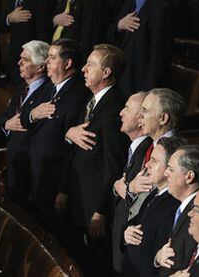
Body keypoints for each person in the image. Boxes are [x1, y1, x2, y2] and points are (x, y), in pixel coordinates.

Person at [61, 43, 129, 275]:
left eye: (90, 64)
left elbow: (113, 166)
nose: (83, 69)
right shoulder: (92, 102)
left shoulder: (114, 110)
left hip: (94, 210)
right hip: (79, 199)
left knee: (96, 266)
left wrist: (101, 211)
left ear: (107, 72)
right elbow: (78, 146)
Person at [20, 38, 90, 237]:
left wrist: (64, 189)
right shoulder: (48, 87)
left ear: (67, 64)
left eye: (52, 58)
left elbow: (71, 148)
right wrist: (34, 114)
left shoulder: (77, 94)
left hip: (53, 181)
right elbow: (24, 116)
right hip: (34, 174)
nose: (46, 63)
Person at [0, 40, 51, 210]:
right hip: (13, 164)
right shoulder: (21, 88)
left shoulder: (49, 92)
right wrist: (7, 124)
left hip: (33, 169)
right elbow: (2, 118)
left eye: (25, 60)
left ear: (41, 67)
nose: (19, 63)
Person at [121, 136, 185, 277]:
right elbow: (134, 222)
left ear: (170, 167)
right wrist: (126, 234)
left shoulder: (173, 204)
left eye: (154, 161)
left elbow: (159, 257)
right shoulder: (155, 192)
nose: (147, 165)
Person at [126, 88, 186, 221]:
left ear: (163, 118)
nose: (139, 115)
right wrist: (130, 188)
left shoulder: (177, 154)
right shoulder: (146, 145)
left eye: (145, 111)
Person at [155, 145, 199, 276]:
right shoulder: (183, 205)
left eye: (171, 169)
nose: (165, 173)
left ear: (189, 176)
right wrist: (158, 257)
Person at [111, 91, 152, 274]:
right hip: (119, 233)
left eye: (127, 108)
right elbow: (121, 185)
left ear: (141, 118)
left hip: (130, 240)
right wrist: (116, 187)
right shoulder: (133, 147)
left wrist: (126, 188)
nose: (121, 112)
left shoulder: (148, 154)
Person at [107, 0, 173, 96]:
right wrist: (119, 26)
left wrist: (146, 93)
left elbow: (158, 57)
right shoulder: (129, 3)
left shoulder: (160, 7)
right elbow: (110, 36)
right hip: (122, 78)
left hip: (139, 84)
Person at [0, 0, 56, 83]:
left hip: (32, 56)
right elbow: (1, 26)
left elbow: (43, 31)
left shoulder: (41, 2)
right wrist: (9, 18)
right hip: (13, 55)